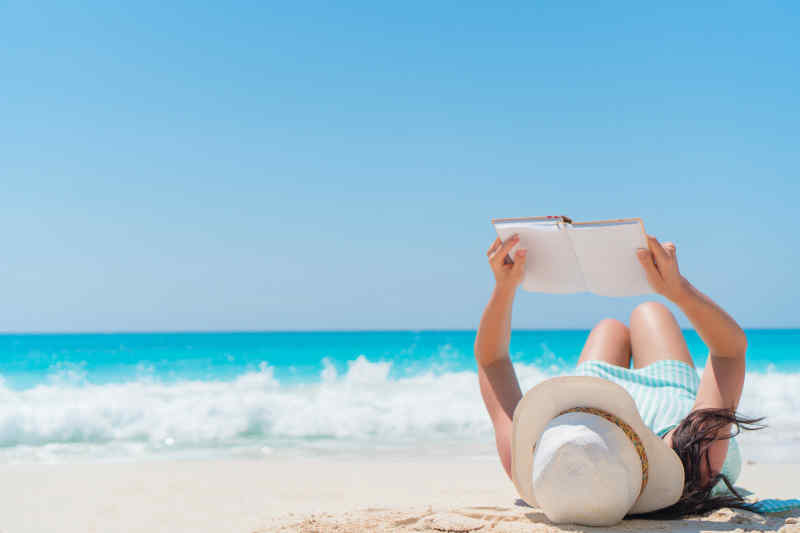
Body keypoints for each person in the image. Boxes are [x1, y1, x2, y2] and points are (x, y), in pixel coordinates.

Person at [474, 232, 764, 520]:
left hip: (586, 403)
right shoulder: (692, 461)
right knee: (650, 311)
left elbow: (491, 360)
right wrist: (678, 290)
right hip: (668, 406)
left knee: (608, 328)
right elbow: (729, 351)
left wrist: (504, 288)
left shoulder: (544, 464)